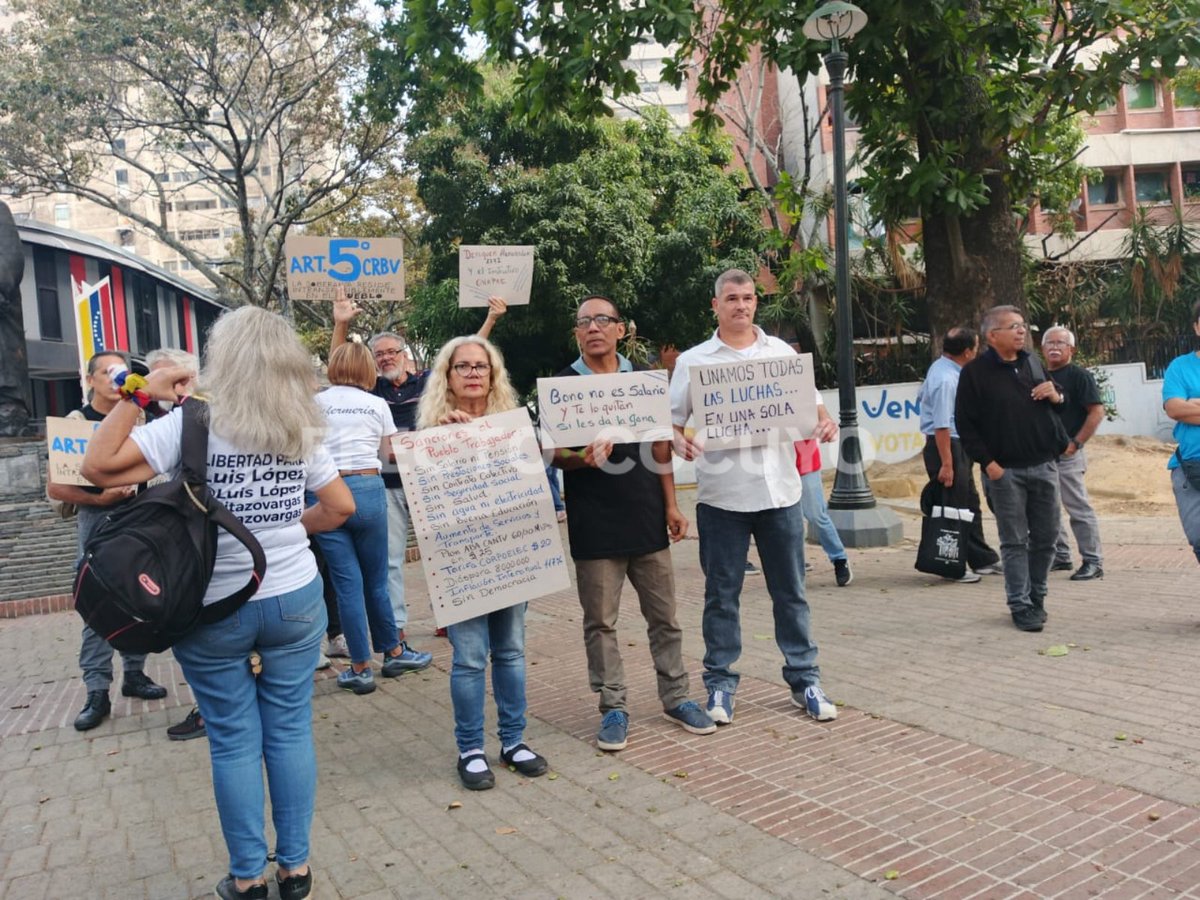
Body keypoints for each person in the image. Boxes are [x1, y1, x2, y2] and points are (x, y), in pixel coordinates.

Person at [81, 306, 355, 900]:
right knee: (288, 731)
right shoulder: (301, 423)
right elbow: (339, 508)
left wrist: (136, 394)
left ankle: (248, 876)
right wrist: (285, 533)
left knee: (233, 737)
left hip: (210, 606)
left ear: (219, 359)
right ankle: (296, 870)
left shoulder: (192, 424)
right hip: (294, 600)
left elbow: (97, 467)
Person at [669, 268, 838, 726]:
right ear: (715, 306)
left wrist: (826, 423)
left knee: (792, 593)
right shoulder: (693, 361)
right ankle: (720, 685)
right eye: (731, 298)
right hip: (722, 498)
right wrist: (677, 440)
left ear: (756, 303)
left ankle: (805, 680)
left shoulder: (781, 352)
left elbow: (815, 407)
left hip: (781, 494)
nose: (740, 305)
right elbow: (670, 422)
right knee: (721, 595)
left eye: (747, 297)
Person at [551, 295, 716, 752]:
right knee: (600, 623)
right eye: (584, 322)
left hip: (647, 517)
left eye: (603, 320)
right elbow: (551, 453)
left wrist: (672, 506)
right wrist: (582, 459)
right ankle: (614, 708)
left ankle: (677, 697)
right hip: (594, 524)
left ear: (622, 330)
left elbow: (661, 447)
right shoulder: (563, 386)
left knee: (665, 618)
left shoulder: (644, 382)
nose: (593, 328)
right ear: (577, 333)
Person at [331, 293, 505, 655]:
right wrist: (341, 324)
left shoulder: (428, 381)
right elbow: (340, 369)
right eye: (380, 355)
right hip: (389, 485)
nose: (387, 359)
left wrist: (490, 319)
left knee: (443, 550)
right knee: (392, 558)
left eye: (392, 352)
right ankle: (396, 627)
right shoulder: (369, 389)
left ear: (405, 354)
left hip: (432, 481)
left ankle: (451, 615)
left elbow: (468, 355)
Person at [416, 335, 549, 790]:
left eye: (481, 366)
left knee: (510, 653)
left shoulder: (515, 428)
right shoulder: (430, 435)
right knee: (470, 659)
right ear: (447, 378)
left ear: (493, 377)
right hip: (462, 563)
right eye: (463, 367)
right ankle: (470, 749)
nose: (473, 373)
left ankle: (513, 742)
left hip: (510, 556)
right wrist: (441, 440)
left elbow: (536, 486)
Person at [46, 350, 169, 732]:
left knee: (141, 595)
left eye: (124, 373)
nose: (119, 380)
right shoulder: (76, 423)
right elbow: (57, 486)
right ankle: (97, 689)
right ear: (91, 381)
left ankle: (135, 674)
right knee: (96, 602)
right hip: (98, 522)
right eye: (110, 373)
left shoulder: (142, 415)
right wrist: (100, 499)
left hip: (141, 519)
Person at [313, 341, 431, 694]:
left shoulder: (314, 404)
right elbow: (390, 453)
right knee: (377, 579)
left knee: (346, 584)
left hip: (327, 491)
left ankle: (360, 667)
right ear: (367, 368)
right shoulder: (377, 404)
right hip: (368, 487)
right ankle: (394, 652)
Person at [956, 306, 1069, 633]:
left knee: (1047, 537)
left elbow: (1056, 401)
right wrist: (991, 467)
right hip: (1006, 473)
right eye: (1014, 327)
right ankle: (1020, 603)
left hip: (1044, 466)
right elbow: (966, 425)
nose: (1022, 331)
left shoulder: (1032, 362)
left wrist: (1056, 394)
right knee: (1014, 541)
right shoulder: (974, 373)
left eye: (1023, 326)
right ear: (993, 336)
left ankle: (1038, 595)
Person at [915, 327, 1001, 583]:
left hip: (957, 444)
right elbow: (941, 425)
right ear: (967, 352)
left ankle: (981, 558)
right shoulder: (946, 380)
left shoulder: (944, 369)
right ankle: (951, 564)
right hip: (947, 445)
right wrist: (947, 464)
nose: (977, 352)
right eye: (975, 348)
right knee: (952, 506)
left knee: (968, 503)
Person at [1042, 325, 1105, 581]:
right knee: (1047, 508)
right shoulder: (1038, 374)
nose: (1054, 347)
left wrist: (1076, 443)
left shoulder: (1079, 376)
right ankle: (1060, 556)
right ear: (1042, 348)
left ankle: (1093, 561)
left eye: (1060, 343)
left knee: (1077, 507)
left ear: (1072, 349)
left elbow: (1096, 412)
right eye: (1050, 343)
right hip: (1042, 454)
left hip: (1068, 453)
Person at [793, 410, 853, 587]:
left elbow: (821, 411)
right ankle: (795, 566)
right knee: (789, 520)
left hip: (805, 460)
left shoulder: (806, 389)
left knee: (816, 515)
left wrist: (826, 422)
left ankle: (839, 559)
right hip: (777, 464)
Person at [1162, 299, 1200, 567]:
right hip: (1190, 467)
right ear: (1197, 327)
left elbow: (1184, 408)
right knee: (1198, 538)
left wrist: (1194, 404)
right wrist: (1184, 406)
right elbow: (1174, 408)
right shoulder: (1180, 366)